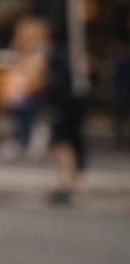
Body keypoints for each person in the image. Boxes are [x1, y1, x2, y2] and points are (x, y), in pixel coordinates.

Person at [43, 33, 88, 205]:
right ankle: (72, 186)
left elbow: (53, 88)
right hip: (73, 109)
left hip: (64, 110)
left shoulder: (58, 60)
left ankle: (69, 186)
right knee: (73, 146)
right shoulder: (73, 61)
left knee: (62, 146)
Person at [0, 15, 48, 161]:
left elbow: (34, 72)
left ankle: (22, 139)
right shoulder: (23, 49)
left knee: (23, 116)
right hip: (19, 89)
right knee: (21, 116)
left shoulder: (38, 50)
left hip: (29, 89)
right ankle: (24, 138)